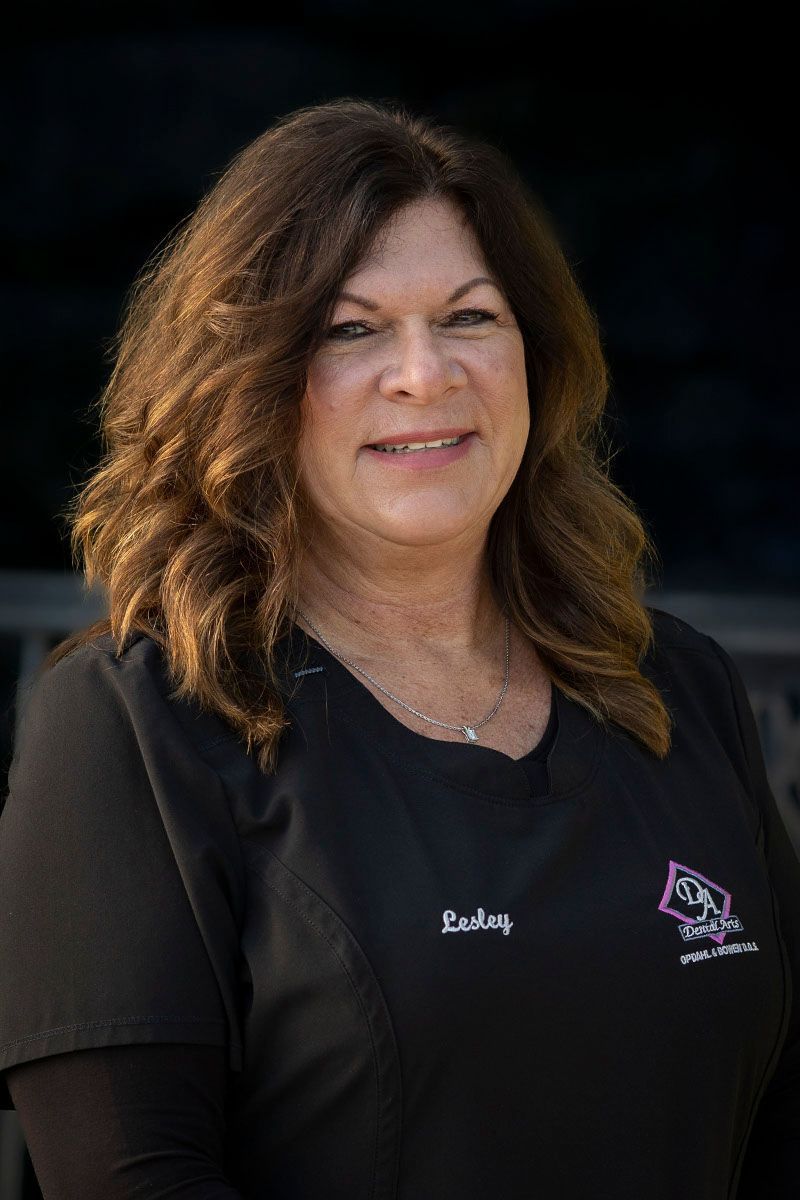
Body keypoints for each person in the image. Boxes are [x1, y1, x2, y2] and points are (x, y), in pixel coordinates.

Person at [0, 96, 796, 1200]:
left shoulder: (673, 686)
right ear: (250, 383)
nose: (423, 375)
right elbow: (134, 1178)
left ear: (534, 355)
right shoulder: (134, 724)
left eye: (469, 317)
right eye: (349, 329)